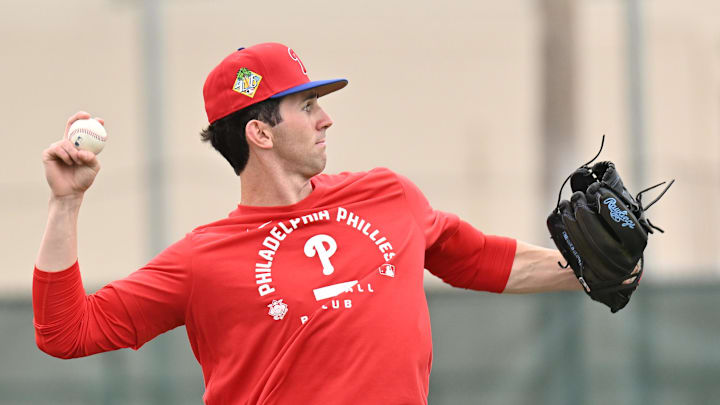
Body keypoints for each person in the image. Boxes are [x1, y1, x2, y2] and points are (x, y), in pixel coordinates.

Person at [34, 42, 582, 405]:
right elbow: (66, 333)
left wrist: (593, 267)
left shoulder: (386, 195)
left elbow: (474, 256)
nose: (326, 117)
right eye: (307, 104)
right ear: (261, 133)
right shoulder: (203, 259)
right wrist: (66, 205)